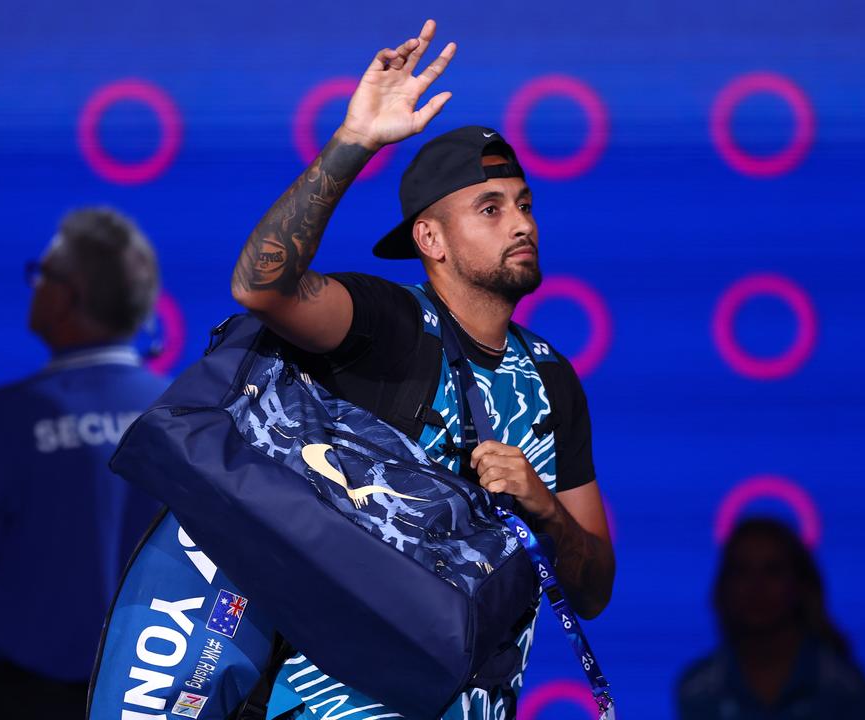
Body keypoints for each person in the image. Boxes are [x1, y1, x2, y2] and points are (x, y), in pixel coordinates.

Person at [230, 19, 615, 720]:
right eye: (490, 208)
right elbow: (261, 286)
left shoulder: (552, 378)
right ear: (429, 238)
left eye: (525, 205)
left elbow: (593, 588)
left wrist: (542, 505)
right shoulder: (387, 323)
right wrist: (353, 144)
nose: (522, 223)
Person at [0, 207, 167, 720]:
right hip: (151, 698)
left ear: (69, 296)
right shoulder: (182, 413)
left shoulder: (11, 415)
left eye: (43, 275)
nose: (34, 287)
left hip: (26, 697)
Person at [676, 518, 865, 720]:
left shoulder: (844, 688)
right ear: (724, 586)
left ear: (800, 585)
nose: (757, 587)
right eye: (742, 571)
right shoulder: (697, 690)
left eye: (773, 570)